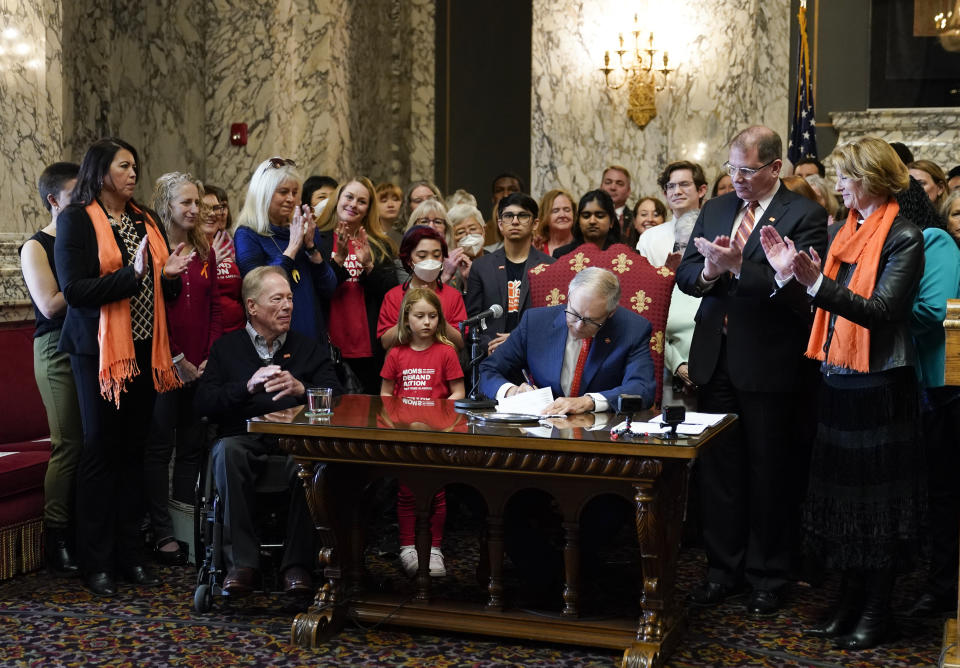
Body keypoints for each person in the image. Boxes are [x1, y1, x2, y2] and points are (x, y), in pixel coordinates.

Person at [760, 136, 923, 649]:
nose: (836, 186)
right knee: (842, 505)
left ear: (872, 178)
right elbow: (821, 311)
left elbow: (880, 313)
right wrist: (789, 277)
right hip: (835, 381)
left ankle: (877, 611)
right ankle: (848, 602)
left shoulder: (905, 235)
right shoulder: (842, 230)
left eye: (845, 177)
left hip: (880, 387)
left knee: (876, 508)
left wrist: (815, 285)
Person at [675, 125, 827, 617]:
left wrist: (742, 268)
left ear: (774, 168)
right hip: (713, 358)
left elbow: (799, 289)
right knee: (719, 473)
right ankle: (723, 570)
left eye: (747, 169)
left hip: (768, 361)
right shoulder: (717, 207)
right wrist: (711, 271)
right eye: (731, 168)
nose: (736, 178)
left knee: (768, 472)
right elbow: (687, 276)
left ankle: (767, 575)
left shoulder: (804, 214)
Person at [55, 137, 193, 596]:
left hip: (143, 350)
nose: (134, 174)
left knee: (135, 451)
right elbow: (75, 291)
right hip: (97, 353)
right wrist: (130, 277)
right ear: (101, 172)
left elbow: (160, 294)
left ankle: (129, 554)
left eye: (135, 166)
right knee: (101, 450)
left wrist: (167, 278)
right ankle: (96, 562)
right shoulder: (76, 219)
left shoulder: (144, 219)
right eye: (125, 166)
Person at [194, 266, 341, 596]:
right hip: (242, 438)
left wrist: (303, 388)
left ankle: (297, 566)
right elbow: (203, 402)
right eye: (277, 299)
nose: (288, 306)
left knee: (314, 464)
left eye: (290, 298)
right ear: (252, 306)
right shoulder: (227, 349)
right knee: (227, 453)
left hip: (295, 440)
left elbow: (339, 400)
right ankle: (242, 564)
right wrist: (246, 387)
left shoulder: (308, 349)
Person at [144, 172, 222, 566]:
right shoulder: (155, 249)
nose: (194, 211)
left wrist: (208, 355)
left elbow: (212, 307)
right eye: (186, 203)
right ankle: (161, 533)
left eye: (199, 203)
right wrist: (176, 359)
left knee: (191, 449)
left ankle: (184, 525)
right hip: (164, 365)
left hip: (201, 367)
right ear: (167, 205)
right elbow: (154, 313)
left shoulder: (204, 247)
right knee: (159, 450)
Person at [19, 161, 82, 576]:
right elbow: (50, 305)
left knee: (96, 442)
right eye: (78, 197)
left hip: (91, 350)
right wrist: (92, 282)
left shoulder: (88, 241)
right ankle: (56, 535)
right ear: (53, 200)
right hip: (55, 348)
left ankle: (89, 532)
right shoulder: (36, 246)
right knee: (69, 443)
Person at [479, 266, 656, 413]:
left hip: (601, 433)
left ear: (611, 313)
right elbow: (488, 370)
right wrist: (512, 391)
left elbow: (642, 388)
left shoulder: (633, 329)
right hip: (543, 426)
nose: (578, 326)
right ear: (568, 297)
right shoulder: (535, 322)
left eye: (591, 320)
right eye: (574, 314)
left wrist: (589, 402)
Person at [902, 179, 960, 618]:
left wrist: (871, 310)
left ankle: (942, 588)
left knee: (944, 491)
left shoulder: (935, 240)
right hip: (920, 381)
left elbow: (933, 312)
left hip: (944, 385)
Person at [380, 287, 465, 577]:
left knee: (436, 493)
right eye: (420, 316)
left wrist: (441, 417)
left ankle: (435, 549)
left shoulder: (446, 352)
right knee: (406, 492)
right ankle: (407, 547)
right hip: (406, 435)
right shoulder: (396, 353)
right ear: (406, 319)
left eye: (432, 316)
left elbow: (457, 392)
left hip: (435, 435)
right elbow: (386, 393)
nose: (427, 322)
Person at [234, 157, 338, 344]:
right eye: (283, 192)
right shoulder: (247, 234)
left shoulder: (304, 229)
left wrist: (311, 249)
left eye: (295, 192)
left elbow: (329, 288)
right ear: (263, 194)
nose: (291, 199)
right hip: (273, 342)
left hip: (313, 337)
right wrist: (292, 248)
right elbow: (258, 289)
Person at [317, 177, 398, 393]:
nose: (353, 205)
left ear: (368, 209)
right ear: (338, 199)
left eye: (362, 201)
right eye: (349, 197)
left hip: (368, 346)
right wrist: (338, 261)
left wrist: (369, 265)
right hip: (328, 345)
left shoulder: (380, 245)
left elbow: (390, 293)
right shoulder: (318, 240)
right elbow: (317, 289)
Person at [467, 192, 554, 357]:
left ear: (535, 224)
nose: (515, 221)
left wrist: (517, 340)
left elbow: (553, 321)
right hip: (492, 356)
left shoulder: (550, 266)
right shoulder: (481, 267)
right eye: (508, 216)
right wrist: (488, 345)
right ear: (500, 224)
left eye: (522, 216)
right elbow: (472, 321)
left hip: (535, 356)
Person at [378, 226, 467, 351]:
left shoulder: (452, 295)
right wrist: (410, 317)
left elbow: (461, 342)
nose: (430, 260)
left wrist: (438, 316)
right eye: (422, 256)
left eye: (436, 255)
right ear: (409, 260)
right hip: (405, 368)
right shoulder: (394, 296)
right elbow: (386, 343)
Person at [637, 160, 708, 269]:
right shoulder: (649, 238)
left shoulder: (715, 231)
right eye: (671, 186)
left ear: (701, 190)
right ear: (665, 194)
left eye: (684, 184)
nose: (677, 192)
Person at [201, 184, 244, 333]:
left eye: (215, 208)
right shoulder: (187, 248)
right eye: (205, 208)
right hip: (209, 332)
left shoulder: (229, 243)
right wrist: (211, 262)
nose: (212, 214)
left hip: (239, 329)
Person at [552, 189, 622, 258]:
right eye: (586, 216)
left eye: (599, 216)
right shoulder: (562, 255)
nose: (592, 221)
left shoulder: (622, 256)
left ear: (611, 222)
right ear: (578, 220)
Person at [446, 203, 487, 293]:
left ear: (483, 230)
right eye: (460, 232)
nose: (468, 234)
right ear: (452, 239)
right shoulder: (448, 271)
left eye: (473, 229)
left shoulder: (497, 263)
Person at [534, 189, 576, 256]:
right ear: (545, 216)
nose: (562, 215)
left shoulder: (581, 246)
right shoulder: (537, 248)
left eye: (567, 210)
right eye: (555, 211)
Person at [484, 173, 523, 245]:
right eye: (499, 190)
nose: (505, 195)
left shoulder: (533, 229)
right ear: (493, 199)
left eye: (512, 189)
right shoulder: (484, 232)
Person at [601, 165, 634, 232]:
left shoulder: (635, 219)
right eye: (608, 182)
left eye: (619, 184)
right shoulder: (588, 217)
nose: (613, 187)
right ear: (601, 187)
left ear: (628, 190)